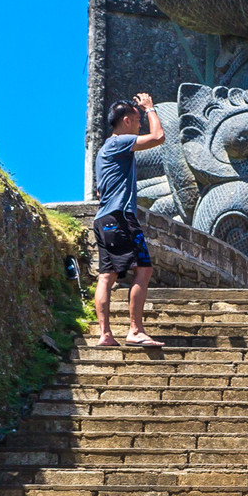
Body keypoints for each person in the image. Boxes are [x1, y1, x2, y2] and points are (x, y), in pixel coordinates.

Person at [91, 93, 166, 350]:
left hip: (103, 219)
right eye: (136, 121)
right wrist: (149, 109)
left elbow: (101, 191)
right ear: (125, 121)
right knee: (143, 269)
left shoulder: (103, 152)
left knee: (106, 276)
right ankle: (135, 330)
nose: (139, 126)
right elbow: (158, 137)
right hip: (121, 217)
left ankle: (106, 334)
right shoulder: (119, 142)